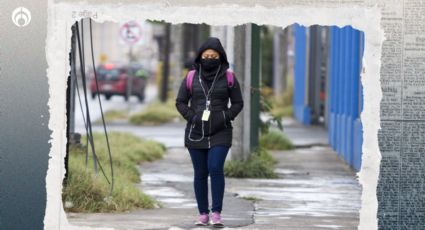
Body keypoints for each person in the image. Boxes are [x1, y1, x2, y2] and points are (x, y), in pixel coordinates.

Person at [175, 37, 244, 228]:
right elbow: (180, 102)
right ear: (200, 57)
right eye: (206, 56)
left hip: (220, 131)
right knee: (200, 173)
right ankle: (203, 214)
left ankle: (216, 214)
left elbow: (238, 103)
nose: (210, 59)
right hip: (195, 131)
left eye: (214, 56)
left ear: (220, 57)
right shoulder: (191, 77)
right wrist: (194, 117)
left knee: (215, 168)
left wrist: (225, 116)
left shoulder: (229, 77)